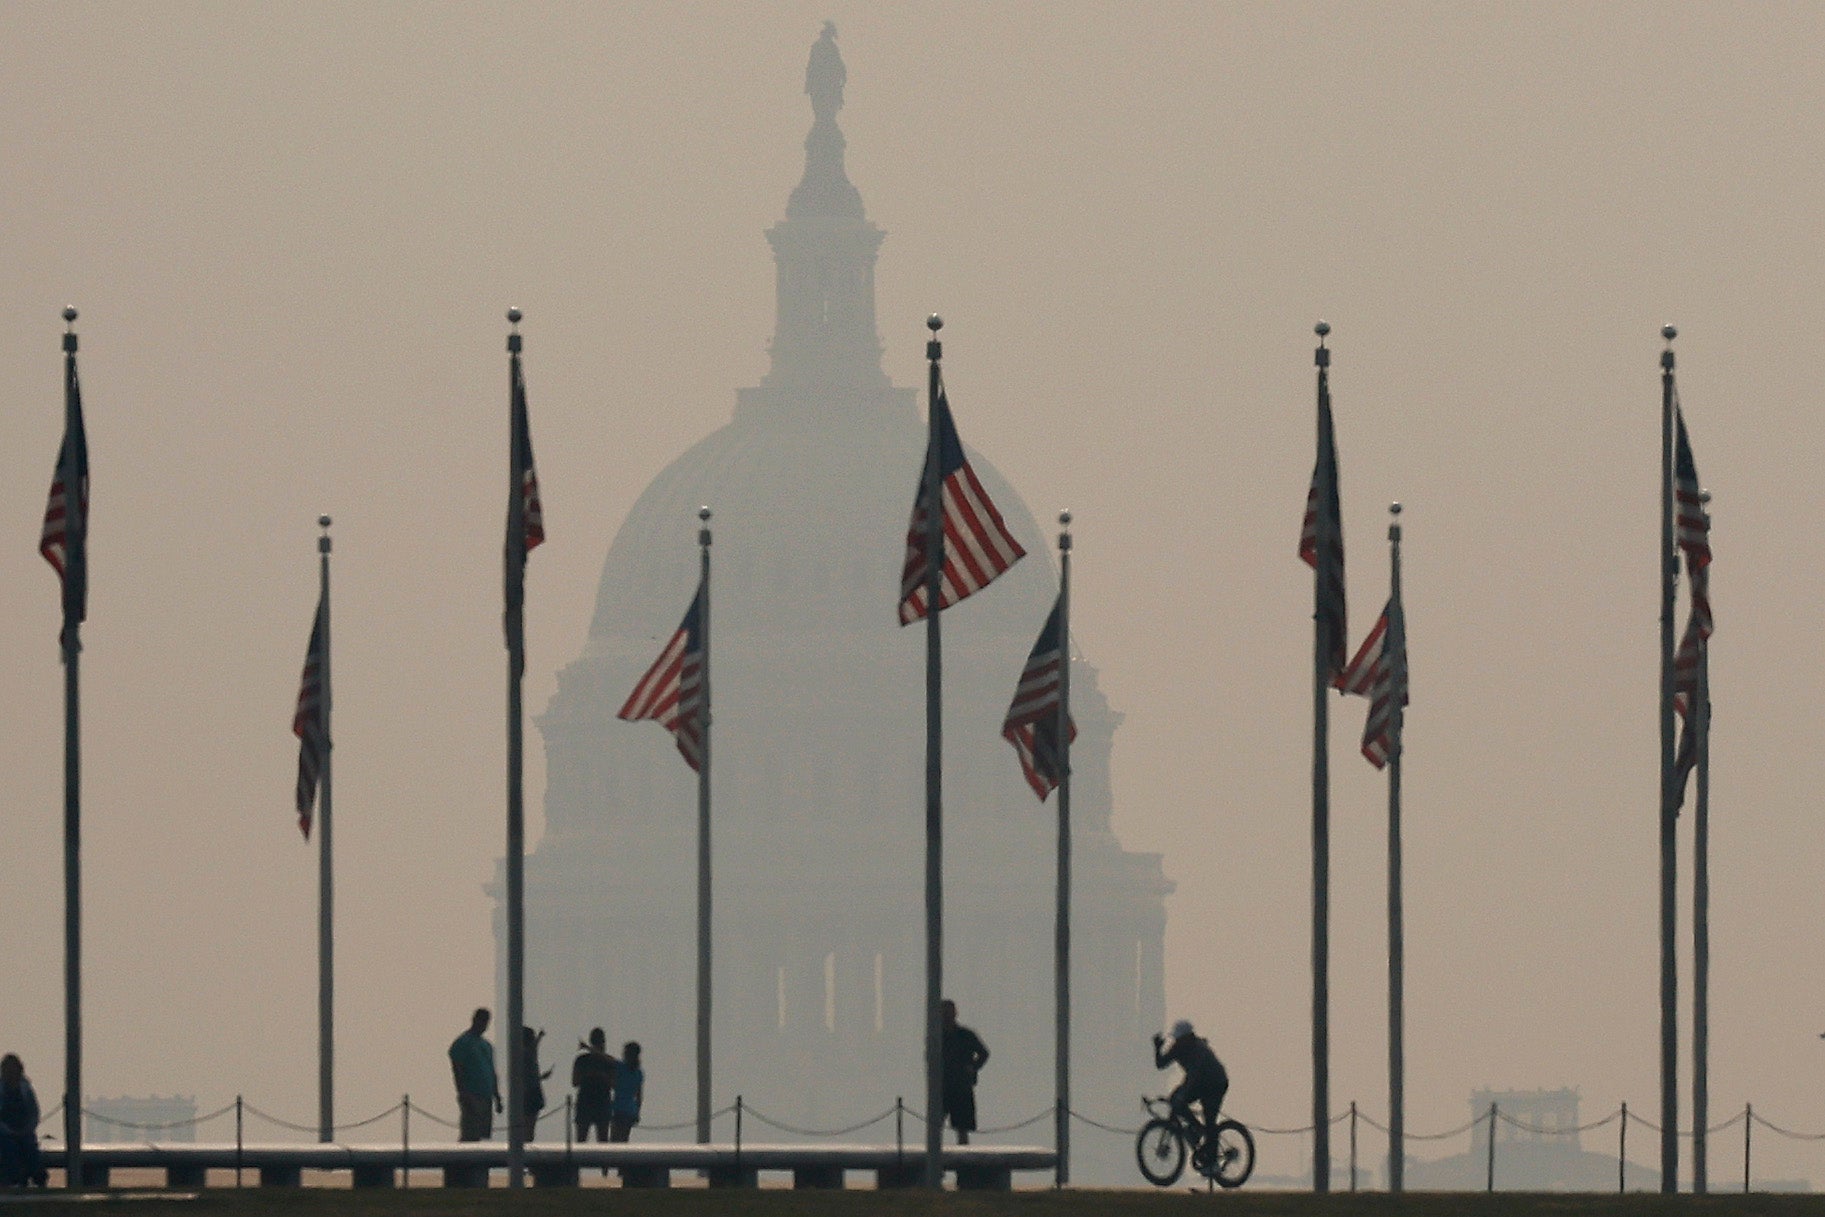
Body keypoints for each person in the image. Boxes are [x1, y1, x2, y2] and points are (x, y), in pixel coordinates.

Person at [1153, 1019, 1229, 1143]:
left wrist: (1183, 1094)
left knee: (1182, 1104)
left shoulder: (1189, 1048)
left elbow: (1193, 1075)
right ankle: (1200, 1133)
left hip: (1209, 1083)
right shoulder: (1188, 1046)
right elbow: (1162, 1064)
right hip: (1210, 1082)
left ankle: (1204, 1140)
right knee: (1178, 1101)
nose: (1176, 1041)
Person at [939, 999, 990, 1145]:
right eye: (944, 1011)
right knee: (936, 1126)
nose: (946, 1015)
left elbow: (984, 1053)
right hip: (942, 1086)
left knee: (962, 1128)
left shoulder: (966, 1035)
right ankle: (935, 1161)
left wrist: (972, 1067)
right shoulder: (936, 1036)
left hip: (962, 1086)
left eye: (949, 1011)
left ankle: (964, 1162)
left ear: (955, 1013)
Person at [448, 1008, 501, 1142]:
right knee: (470, 1133)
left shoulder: (487, 1045)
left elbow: (492, 1071)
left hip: (486, 1095)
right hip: (471, 1095)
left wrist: (497, 1096)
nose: (484, 1024)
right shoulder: (463, 1042)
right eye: (482, 1021)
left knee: (482, 1134)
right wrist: (463, 1092)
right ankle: (463, 1161)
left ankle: (479, 1162)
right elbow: (457, 1069)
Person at [0, 1055, 46, 1188]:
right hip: (4, 1133)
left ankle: (39, 1179)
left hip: (25, 1132)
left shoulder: (26, 1089)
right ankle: (14, 1181)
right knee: (9, 1149)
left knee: (31, 1149)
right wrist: (8, 1130)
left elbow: (34, 1112)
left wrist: (27, 1129)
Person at [571, 1028, 617, 1144]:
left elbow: (614, 1083)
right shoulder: (581, 1060)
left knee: (603, 1142)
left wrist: (602, 1077)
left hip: (602, 1103)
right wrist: (588, 1075)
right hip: (585, 1102)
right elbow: (575, 1082)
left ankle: (603, 1163)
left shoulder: (608, 1061)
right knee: (581, 1141)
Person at [520, 1026, 552, 1140]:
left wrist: (541, 1077)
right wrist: (540, 1036)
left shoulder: (524, 1054)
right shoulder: (526, 1053)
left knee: (528, 1126)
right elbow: (533, 1048)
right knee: (529, 1126)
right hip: (530, 1093)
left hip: (530, 1090)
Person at [608, 1041, 643, 1142]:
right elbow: (639, 1097)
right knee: (624, 1139)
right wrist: (637, 1112)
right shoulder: (639, 1072)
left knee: (615, 1140)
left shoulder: (621, 1067)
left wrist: (588, 1047)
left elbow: (606, 1058)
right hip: (630, 1110)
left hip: (619, 1108)